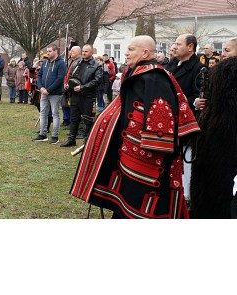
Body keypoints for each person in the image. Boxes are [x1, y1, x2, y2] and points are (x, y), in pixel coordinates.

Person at [70, 35, 200, 219]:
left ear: (145, 52)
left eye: (131, 49)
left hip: (148, 160)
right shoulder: (139, 73)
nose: (126, 53)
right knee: (127, 199)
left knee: (143, 203)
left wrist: (145, 147)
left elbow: (160, 121)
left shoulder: (155, 77)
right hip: (131, 151)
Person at [190, 39, 237, 218]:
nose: (222, 53)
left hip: (222, 139)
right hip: (215, 135)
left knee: (217, 187)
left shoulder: (227, 72)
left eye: (227, 50)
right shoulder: (219, 72)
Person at [165, 33, 205, 206]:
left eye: (178, 43)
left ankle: (186, 195)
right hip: (168, 119)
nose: (175, 46)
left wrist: (190, 102)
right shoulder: (173, 64)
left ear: (190, 47)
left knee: (186, 159)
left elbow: (199, 98)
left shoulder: (199, 69)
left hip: (185, 123)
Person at [60, 45, 103, 148]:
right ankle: (71, 139)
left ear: (92, 52)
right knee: (74, 118)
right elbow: (71, 76)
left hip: (88, 96)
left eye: (86, 51)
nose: (84, 53)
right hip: (75, 95)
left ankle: (87, 142)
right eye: (83, 51)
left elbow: (97, 80)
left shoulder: (97, 65)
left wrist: (83, 87)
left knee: (88, 120)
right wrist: (68, 85)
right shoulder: (77, 63)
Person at [32, 44, 67, 144]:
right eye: (47, 51)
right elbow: (40, 75)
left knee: (55, 114)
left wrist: (49, 90)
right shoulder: (45, 62)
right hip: (43, 92)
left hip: (55, 94)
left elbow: (60, 79)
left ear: (56, 51)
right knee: (43, 113)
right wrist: (41, 87)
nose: (48, 53)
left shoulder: (61, 64)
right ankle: (43, 134)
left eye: (50, 51)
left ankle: (55, 136)